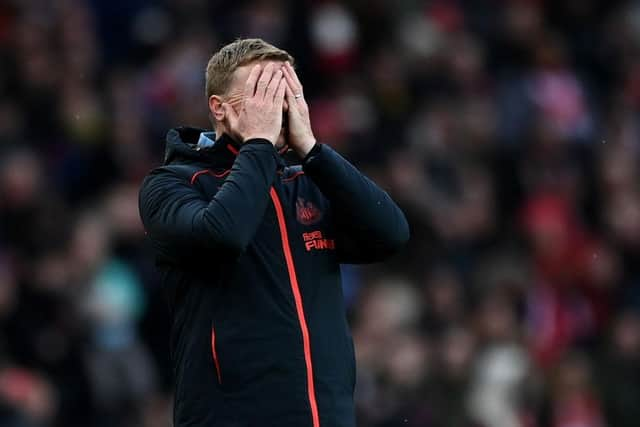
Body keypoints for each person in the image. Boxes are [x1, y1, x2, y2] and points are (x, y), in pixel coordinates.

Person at [138, 38, 409, 427]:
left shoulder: (307, 180)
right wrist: (259, 143)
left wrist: (313, 150)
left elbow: (392, 234)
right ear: (219, 107)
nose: (276, 108)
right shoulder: (172, 184)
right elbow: (224, 234)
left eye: (285, 92)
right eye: (262, 93)